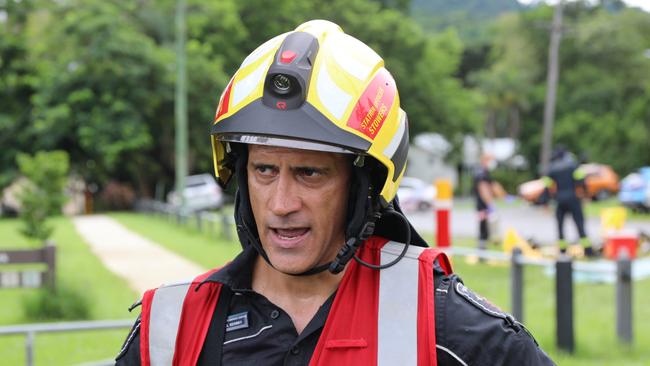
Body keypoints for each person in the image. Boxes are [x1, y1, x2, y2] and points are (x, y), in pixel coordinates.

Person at [115, 20, 554, 365]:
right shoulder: (169, 331)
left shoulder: (447, 328)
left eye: (310, 173)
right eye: (265, 169)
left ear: (364, 187)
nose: (282, 204)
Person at [542, 145, 594, 256]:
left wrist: (545, 202)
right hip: (573, 199)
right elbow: (581, 181)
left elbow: (547, 186)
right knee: (580, 225)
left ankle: (562, 252)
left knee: (560, 226)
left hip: (560, 200)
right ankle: (588, 251)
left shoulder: (552, 168)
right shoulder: (573, 165)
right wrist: (585, 195)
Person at [473, 154, 497, 250]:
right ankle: (481, 250)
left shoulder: (484, 172)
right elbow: (484, 190)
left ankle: (483, 248)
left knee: (485, 228)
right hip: (482, 206)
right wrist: (490, 204)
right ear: (485, 160)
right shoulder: (481, 173)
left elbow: (493, 186)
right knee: (483, 228)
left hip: (483, 205)